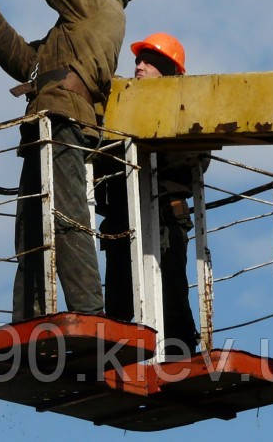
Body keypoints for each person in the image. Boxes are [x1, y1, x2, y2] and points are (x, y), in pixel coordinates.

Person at [0, 0, 142, 321]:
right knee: (31, 227)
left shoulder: (101, 5)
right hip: (46, 120)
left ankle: (89, 312)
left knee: (65, 215)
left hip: (64, 120)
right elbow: (30, 66)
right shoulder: (74, 30)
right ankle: (29, 317)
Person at [97, 32, 202, 355]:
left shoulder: (186, 110)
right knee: (119, 291)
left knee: (169, 286)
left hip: (165, 213)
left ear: (168, 70)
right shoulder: (121, 106)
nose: (139, 67)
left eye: (148, 62)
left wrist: (147, 151)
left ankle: (179, 351)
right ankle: (119, 351)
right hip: (122, 213)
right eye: (138, 61)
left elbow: (193, 161)